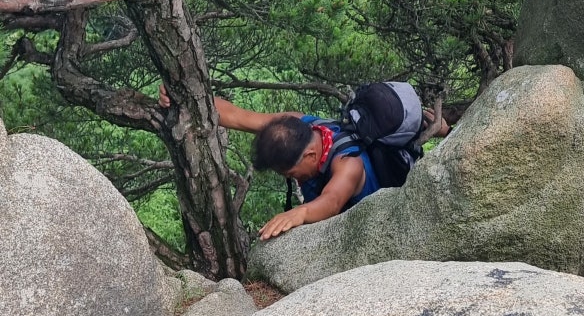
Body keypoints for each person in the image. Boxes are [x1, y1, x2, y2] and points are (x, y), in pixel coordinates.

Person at [160, 89, 446, 241]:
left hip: (375, 228)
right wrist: (184, 98)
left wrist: (299, 214)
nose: (292, 179)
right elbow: (236, 115)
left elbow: (332, 201)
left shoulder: (349, 165)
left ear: (310, 155)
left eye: (290, 173)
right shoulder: (297, 125)